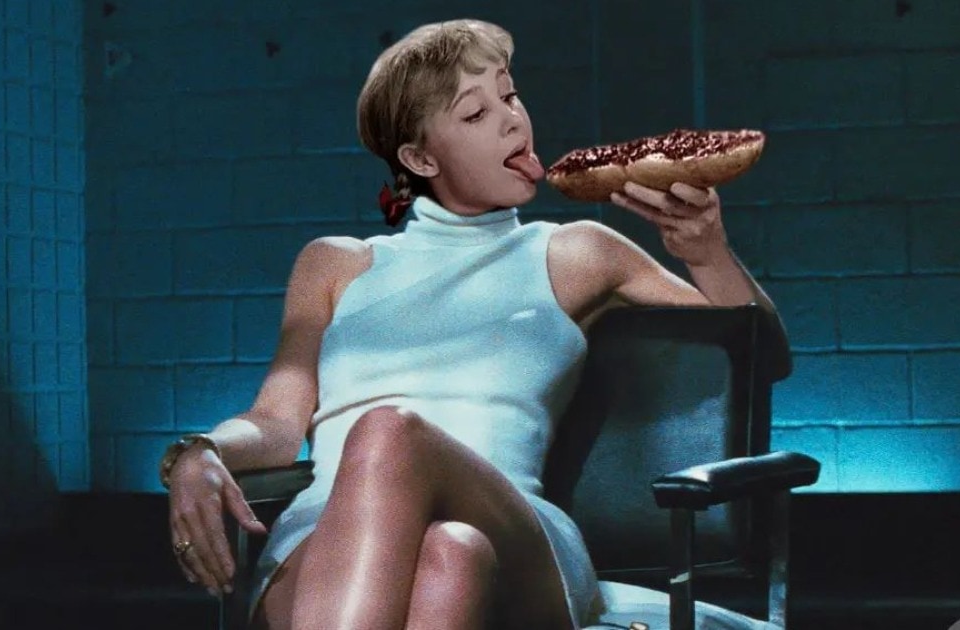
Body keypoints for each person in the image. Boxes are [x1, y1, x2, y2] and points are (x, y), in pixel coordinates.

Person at [160, 18, 788, 630]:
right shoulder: (334, 264)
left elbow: (761, 356)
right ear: (419, 157)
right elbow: (276, 422)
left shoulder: (577, 253)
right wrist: (198, 452)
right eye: (475, 113)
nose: (513, 119)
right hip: (329, 530)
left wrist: (707, 253)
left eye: (509, 96)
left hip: (514, 532)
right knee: (452, 556)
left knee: (390, 430)